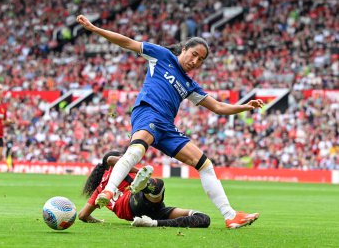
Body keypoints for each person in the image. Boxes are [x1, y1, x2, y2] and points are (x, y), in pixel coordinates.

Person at [76, 15, 263, 229]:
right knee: (137, 149)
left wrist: (245, 106)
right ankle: (109, 190)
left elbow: (219, 107)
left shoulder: (190, 84)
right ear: (183, 49)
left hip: (167, 127)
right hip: (148, 111)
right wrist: (94, 28)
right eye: (193, 55)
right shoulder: (162, 56)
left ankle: (230, 216)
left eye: (200, 60)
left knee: (204, 164)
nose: (195, 62)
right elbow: (127, 42)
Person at [79, 151, 211, 228]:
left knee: (203, 219)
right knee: (157, 184)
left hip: (147, 211)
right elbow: (111, 159)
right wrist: (140, 171)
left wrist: (99, 221)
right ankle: (145, 185)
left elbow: (83, 215)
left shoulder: (99, 191)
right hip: (133, 201)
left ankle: (153, 223)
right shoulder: (116, 169)